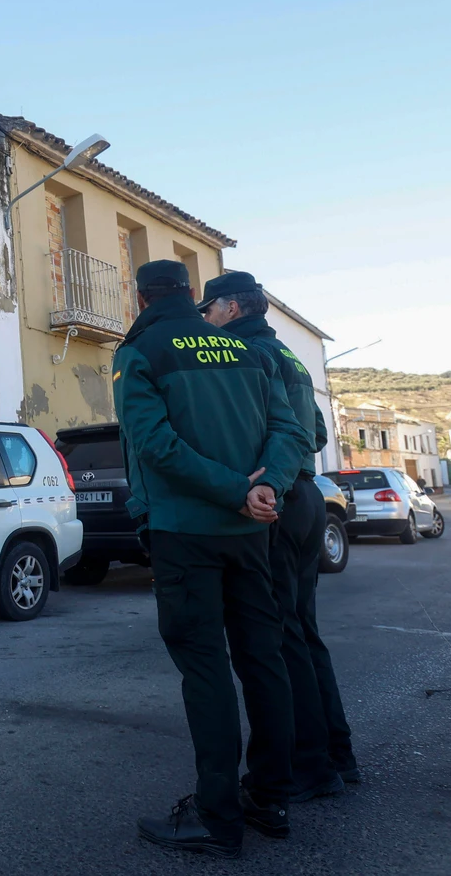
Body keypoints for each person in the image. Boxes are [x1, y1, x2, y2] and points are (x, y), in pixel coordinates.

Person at [112, 259, 309, 857]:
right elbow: (291, 431)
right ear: (194, 294)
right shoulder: (243, 351)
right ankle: (271, 797)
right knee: (263, 657)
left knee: (205, 669)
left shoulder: (140, 351)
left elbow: (154, 444)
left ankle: (217, 816)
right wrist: (266, 485)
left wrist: (231, 490)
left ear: (140, 294)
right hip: (253, 532)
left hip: (185, 532)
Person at [200, 271, 360, 800]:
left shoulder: (241, 355)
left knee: (278, 637)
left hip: (278, 501)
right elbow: (314, 433)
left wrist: (258, 477)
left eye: (209, 311)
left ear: (229, 309)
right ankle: (338, 755)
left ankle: (310, 768)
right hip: (309, 496)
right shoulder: (289, 356)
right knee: (302, 631)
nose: (205, 320)